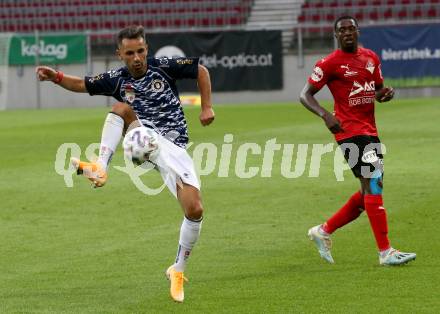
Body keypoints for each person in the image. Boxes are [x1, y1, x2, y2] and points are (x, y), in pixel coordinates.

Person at [36, 25, 215, 302]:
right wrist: (56, 77)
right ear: (119, 54)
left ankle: (177, 269)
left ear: (147, 50)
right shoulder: (116, 79)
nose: (137, 58)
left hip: (174, 149)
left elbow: (201, 71)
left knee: (195, 209)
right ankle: (100, 166)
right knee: (121, 108)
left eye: (141, 51)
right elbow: (82, 84)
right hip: (142, 134)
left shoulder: (163, 67)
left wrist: (206, 106)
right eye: (130, 52)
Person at [299, 16, 416, 266]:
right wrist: (325, 115)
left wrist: (384, 94)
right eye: (342, 30)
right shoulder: (329, 63)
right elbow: (304, 95)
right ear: (336, 35)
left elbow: (375, 90)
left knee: (369, 191)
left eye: (351, 28)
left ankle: (323, 230)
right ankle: (385, 252)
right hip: (348, 131)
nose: (348, 33)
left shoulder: (371, 58)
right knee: (374, 182)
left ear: (358, 31)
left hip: (369, 130)